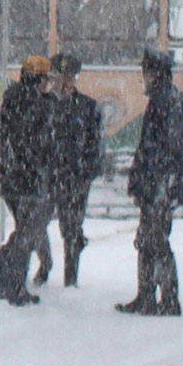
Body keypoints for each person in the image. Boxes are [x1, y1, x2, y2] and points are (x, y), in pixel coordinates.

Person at [118, 48, 183, 316]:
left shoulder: (163, 102)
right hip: (160, 181)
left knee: (155, 241)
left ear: (154, 74)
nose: (144, 78)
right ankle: (149, 295)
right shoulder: (170, 99)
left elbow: (160, 148)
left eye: (146, 73)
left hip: (158, 182)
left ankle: (164, 298)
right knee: (150, 239)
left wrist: (150, 179)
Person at [0, 56, 60, 305]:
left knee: (23, 232)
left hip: (12, 180)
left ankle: (1, 283)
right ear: (38, 79)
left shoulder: (12, 99)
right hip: (29, 182)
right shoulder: (37, 104)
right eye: (46, 80)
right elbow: (40, 144)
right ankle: (13, 286)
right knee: (26, 235)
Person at [52, 65, 107, 289]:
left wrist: (86, 173)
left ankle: (70, 276)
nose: (63, 84)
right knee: (34, 226)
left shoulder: (87, 107)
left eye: (68, 79)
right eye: (59, 79)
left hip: (75, 177)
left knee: (70, 226)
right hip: (49, 175)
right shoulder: (46, 104)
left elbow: (96, 145)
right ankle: (44, 266)